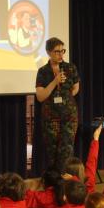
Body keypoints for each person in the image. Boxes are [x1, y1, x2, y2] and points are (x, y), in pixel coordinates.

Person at [35, 37, 80, 172]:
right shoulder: (43, 71)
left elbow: (76, 87)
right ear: (48, 52)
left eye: (62, 51)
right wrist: (55, 81)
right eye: (57, 52)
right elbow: (40, 96)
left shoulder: (70, 68)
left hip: (69, 117)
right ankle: (55, 183)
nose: (61, 54)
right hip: (51, 119)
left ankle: (66, 182)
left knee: (67, 150)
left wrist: (66, 99)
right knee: (53, 152)